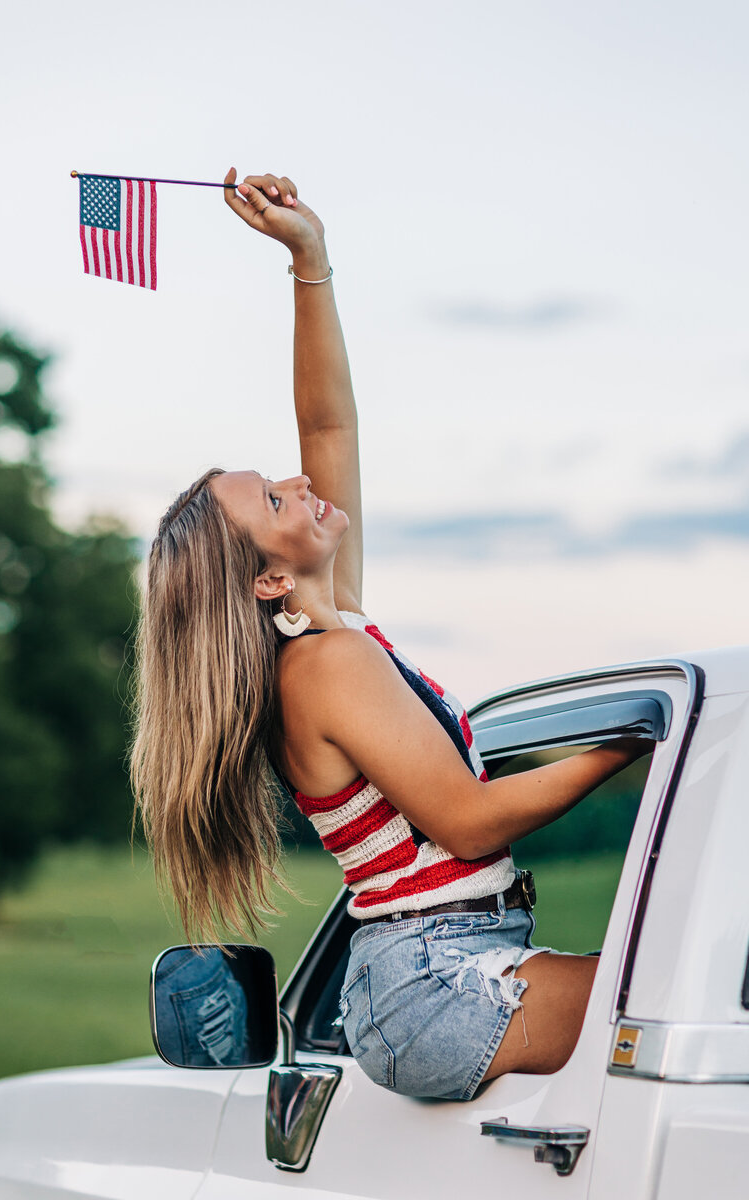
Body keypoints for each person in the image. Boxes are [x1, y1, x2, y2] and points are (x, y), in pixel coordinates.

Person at [131, 169, 649, 1101]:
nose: (299, 478)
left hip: (449, 964)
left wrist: (308, 257)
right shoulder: (324, 666)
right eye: (275, 498)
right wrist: (635, 741)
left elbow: (328, 419)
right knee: (667, 1019)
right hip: (430, 985)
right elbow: (469, 818)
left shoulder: (339, 630)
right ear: (267, 579)